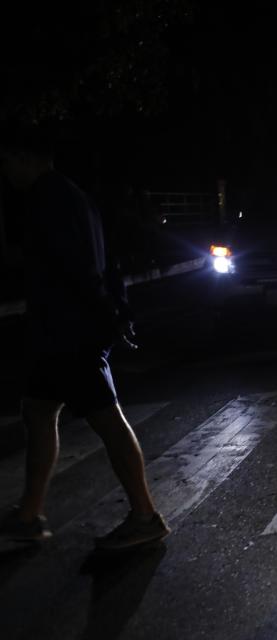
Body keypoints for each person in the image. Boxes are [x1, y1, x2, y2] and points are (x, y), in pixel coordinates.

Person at [0, 124, 169, 550]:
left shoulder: (47, 200)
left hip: (70, 333)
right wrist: (114, 310)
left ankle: (144, 516)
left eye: (6, 161)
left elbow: (77, 268)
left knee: (107, 421)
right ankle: (29, 513)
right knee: (37, 410)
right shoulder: (74, 196)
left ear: (23, 157)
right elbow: (103, 261)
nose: (4, 172)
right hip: (63, 331)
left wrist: (106, 317)